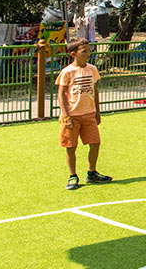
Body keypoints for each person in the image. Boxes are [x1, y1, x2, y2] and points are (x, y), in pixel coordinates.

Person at [57, 37, 112, 190]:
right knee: (71, 146)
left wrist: (97, 112)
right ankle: (72, 176)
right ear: (73, 54)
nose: (88, 53)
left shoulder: (92, 69)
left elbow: (95, 90)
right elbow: (61, 95)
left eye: (88, 50)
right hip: (72, 116)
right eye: (84, 51)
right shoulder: (67, 72)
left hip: (89, 114)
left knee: (95, 143)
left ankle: (92, 172)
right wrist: (66, 116)